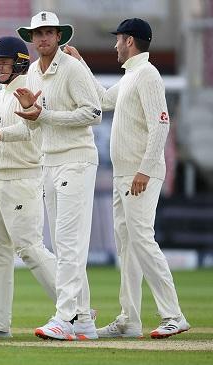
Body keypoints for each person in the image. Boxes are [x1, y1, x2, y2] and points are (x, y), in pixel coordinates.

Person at [63, 18, 190, 339]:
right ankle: (129, 320)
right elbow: (104, 101)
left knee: (142, 241)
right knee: (128, 248)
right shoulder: (133, 74)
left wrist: (145, 170)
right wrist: (81, 67)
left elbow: (161, 124)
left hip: (139, 174)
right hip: (125, 174)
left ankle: (173, 315)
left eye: (118, 40)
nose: (114, 46)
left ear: (129, 40)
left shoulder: (148, 75)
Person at [14, 11, 102, 340]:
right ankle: (84, 321)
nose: (42, 39)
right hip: (49, 162)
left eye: (49, 32)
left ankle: (64, 318)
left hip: (76, 160)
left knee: (69, 243)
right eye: (37, 34)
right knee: (63, 244)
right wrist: (31, 114)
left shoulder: (72, 68)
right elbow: (39, 121)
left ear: (59, 36)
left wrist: (45, 115)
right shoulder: (34, 74)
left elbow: (93, 112)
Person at [0, 36, 58, 338]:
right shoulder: (1, 94)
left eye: (3, 61)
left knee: (29, 248)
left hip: (21, 177)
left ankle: (75, 309)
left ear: (20, 62)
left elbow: (27, 131)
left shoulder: (31, 90)